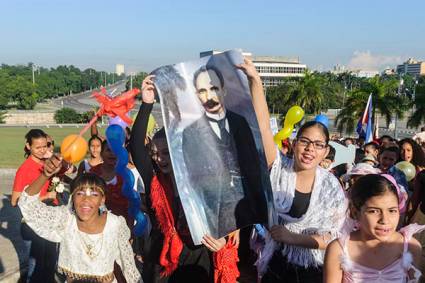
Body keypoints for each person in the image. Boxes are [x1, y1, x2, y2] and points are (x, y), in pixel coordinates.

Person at [238, 58, 347, 282]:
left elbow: (334, 236)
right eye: (305, 141)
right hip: (277, 265)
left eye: (318, 145)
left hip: (314, 269)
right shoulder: (278, 169)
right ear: (295, 144)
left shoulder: (331, 187)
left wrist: (292, 238)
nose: (310, 149)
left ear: (326, 152)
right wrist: (255, 81)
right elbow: (263, 127)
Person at [130, 75, 240, 283]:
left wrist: (223, 239)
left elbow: (227, 209)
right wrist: (146, 104)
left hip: (198, 255)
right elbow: (136, 148)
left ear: (178, 151)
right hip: (163, 257)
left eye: (165, 152)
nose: (158, 158)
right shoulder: (155, 181)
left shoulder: (202, 177)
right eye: (154, 153)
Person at [18, 154, 142, 282]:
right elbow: (28, 205)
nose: (86, 200)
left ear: (102, 200)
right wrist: (45, 175)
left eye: (94, 194)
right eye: (80, 193)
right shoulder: (66, 220)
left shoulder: (115, 224)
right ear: (72, 197)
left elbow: (129, 267)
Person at [181, 64, 268, 238]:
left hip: (251, 218)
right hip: (217, 221)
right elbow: (194, 182)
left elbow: (255, 168)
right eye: (203, 91)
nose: (209, 96)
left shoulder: (241, 123)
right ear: (197, 96)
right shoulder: (191, 133)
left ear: (224, 90)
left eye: (213, 88)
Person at [324, 174, 422, 283]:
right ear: (355, 212)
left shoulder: (411, 247)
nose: (385, 220)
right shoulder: (338, 249)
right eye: (374, 211)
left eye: (392, 210)